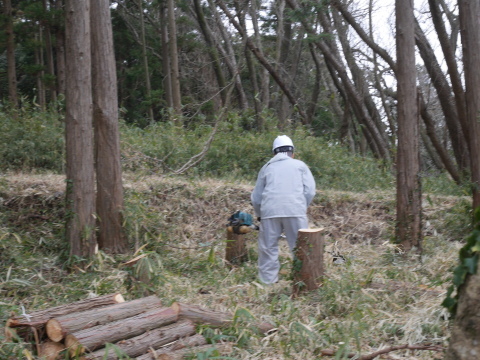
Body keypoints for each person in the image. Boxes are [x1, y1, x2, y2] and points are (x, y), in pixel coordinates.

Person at [251, 135, 316, 284]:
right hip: (296, 211)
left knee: (268, 250)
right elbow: (310, 191)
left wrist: (260, 215)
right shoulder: (300, 166)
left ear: (274, 153)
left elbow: (256, 197)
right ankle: (304, 283)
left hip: (270, 212)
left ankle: (268, 283)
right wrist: (300, 207)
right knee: (301, 249)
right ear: (292, 152)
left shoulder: (267, 167)